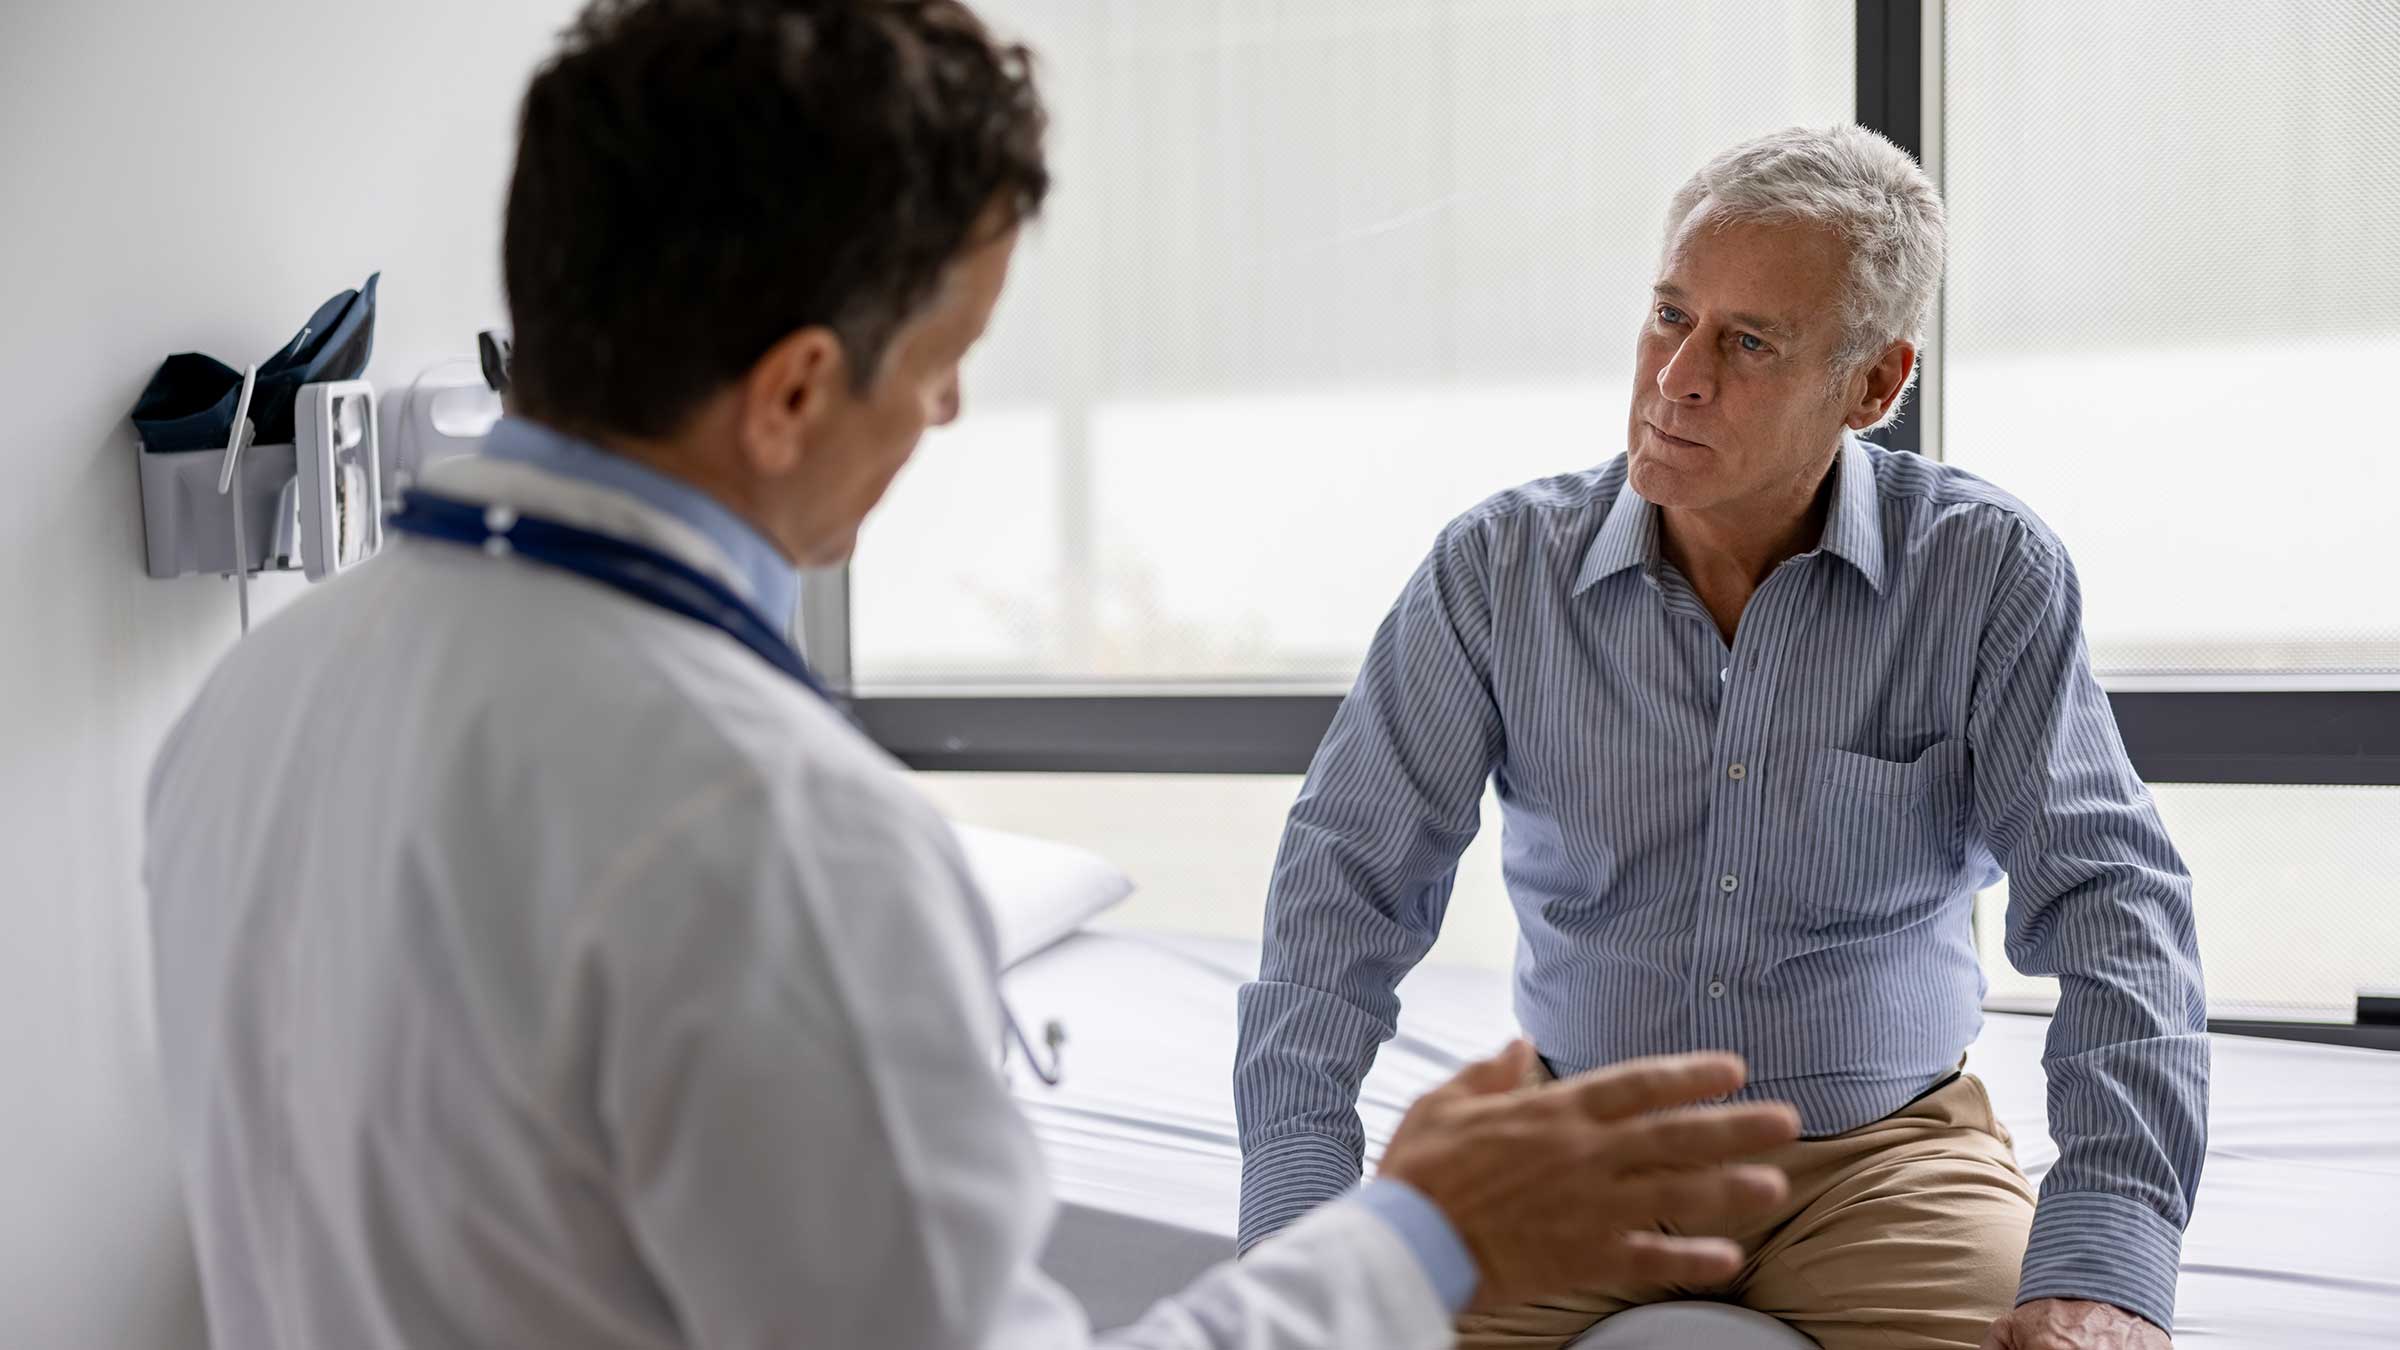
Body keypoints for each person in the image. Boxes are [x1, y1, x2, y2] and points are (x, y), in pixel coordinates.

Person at [142, 3, 1804, 1347]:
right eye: (940, 368)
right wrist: (1422, 1235)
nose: (941, 420)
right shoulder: (773, 833)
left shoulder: (254, 704)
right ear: (794, 391)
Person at [1233, 125, 2209, 1350]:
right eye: (1668, 315)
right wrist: (1297, 1208)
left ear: (1873, 383)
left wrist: (2108, 1255)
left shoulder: (1983, 573)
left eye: (1749, 342)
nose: (1677, 377)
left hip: (1884, 1165)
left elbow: (2115, 903)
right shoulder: (1495, 573)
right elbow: (1342, 891)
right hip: (1575, 1159)